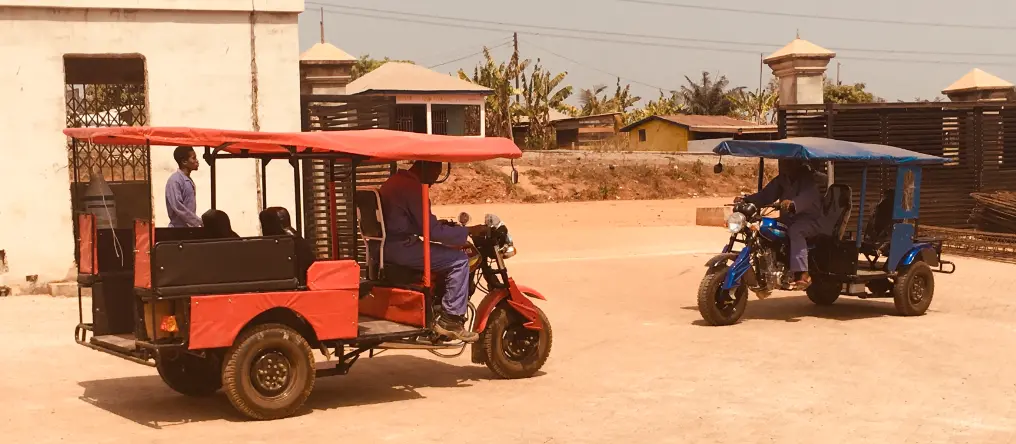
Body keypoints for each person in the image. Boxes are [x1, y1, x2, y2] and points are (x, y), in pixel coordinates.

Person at [379, 161, 488, 343]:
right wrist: (469, 231)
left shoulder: (395, 181)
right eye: (436, 173)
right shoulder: (412, 187)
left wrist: (443, 226)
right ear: (427, 168)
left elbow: (412, 222)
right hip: (402, 248)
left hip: (386, 247)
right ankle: (450, 320)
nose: (434, 180)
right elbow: (432, 232)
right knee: (460, 260)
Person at [736, 159, 824, 290]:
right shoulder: (782, 180)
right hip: (788, 219)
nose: (785, 165)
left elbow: (808, 197)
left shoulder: (809, 180)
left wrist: (793, 203)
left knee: (795, 231)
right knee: (765, 227)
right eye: (783, 162)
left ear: (797, 163)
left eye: (788, 161)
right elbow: (766, 195)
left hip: (810, 221)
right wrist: (746, 200)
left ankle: (803, 274)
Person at [166, 146, 202, 228]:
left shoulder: (188, 180)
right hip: (178, 231)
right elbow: (178, 206)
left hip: (188, 229)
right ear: (184, 162)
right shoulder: (175, 180)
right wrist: (198, 222)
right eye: (193, 158)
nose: (197, 161)